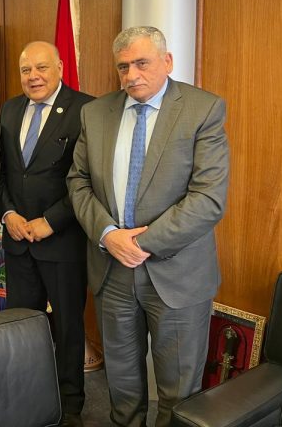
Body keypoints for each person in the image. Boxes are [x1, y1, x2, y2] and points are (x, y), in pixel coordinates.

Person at [67, 26, 229, 427]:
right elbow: (78, 181)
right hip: (112, 271)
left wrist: (143, 242)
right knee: (122, 386)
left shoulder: (203, 109)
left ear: (167, 61)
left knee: (179, 392)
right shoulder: (95, 113)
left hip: (177, 275)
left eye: (142, 63)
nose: (132, 74)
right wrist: (109, 235)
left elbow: (208, 198)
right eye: (123, 66)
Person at [0, 41, 92, 427]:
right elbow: (1, 173)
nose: (33, 76)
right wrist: (8, 213)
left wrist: (51, 221)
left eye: (41, 68)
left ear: (60, 68)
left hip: (62, 242)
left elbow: (88, 180)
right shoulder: (10, 109)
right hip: (18, 240)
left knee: (67, 328)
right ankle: (28, 398)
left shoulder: (86, 110)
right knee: (23, 327)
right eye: (26, 70)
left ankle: (70, 406)